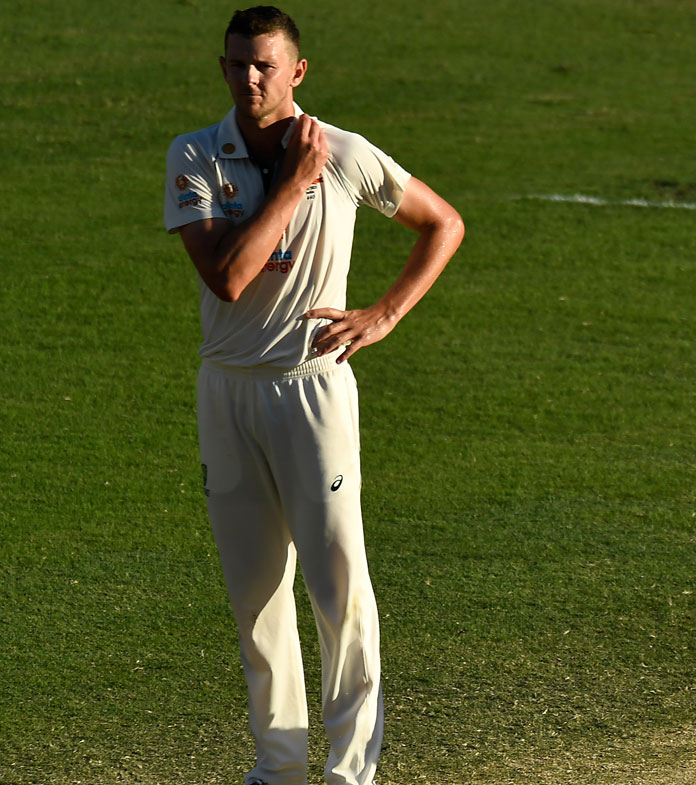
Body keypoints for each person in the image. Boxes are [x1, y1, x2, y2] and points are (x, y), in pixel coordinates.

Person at [162, 7, 464, 785]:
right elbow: (227, 278)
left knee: (338, 586)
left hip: (312, 390)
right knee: (255, 595)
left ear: (298, 72)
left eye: (265, 66)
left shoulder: (348, 154)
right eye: (236, 65)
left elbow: (443, 223)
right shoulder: (196, 155)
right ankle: (280, 767)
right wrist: (295, 182)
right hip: (227, 392)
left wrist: (385, 312)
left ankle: (351, 771)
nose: (249, 80)